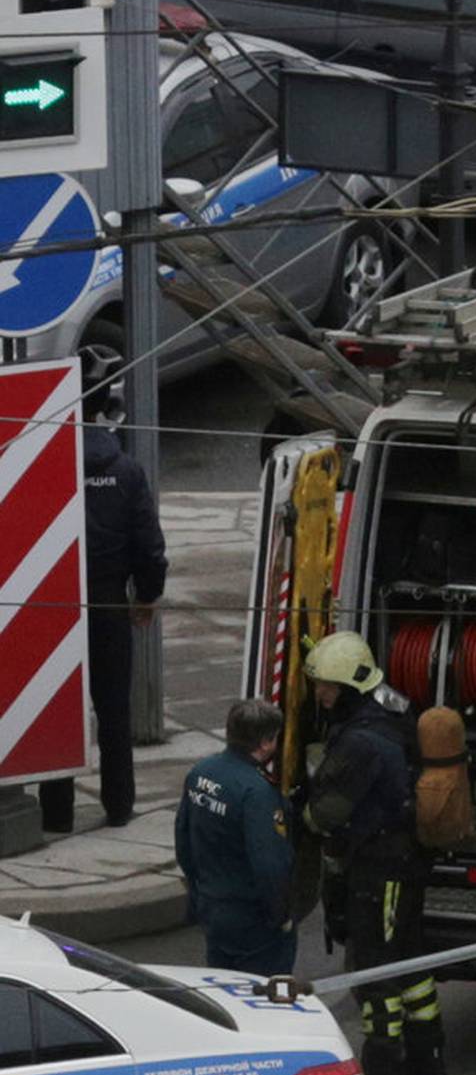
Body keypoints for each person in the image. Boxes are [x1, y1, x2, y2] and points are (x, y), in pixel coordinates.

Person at [304, 630, 443, 1075]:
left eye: (326, 685)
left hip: (379, 866)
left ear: (348, 686)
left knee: (375, 964)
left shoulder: (360, 742)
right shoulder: (395, 709)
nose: (320, 694)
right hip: (406, 860)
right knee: (410, 960)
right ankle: (428, 1060)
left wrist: (296, 811)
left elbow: (326, 814)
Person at [40, 392, 168, 834]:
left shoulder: (50, 465)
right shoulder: (126, 471)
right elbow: (149, 547)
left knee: (58, 704)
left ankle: (55, 815)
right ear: (101, 417)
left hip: (53, 603)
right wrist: (146, 596)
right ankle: (118, 806)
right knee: (113, 709)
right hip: (110, 602)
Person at [174, 700, 297, 974]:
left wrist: (200, 890)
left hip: (212, 908)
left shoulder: (201, 772)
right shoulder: (257, 792)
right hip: (250, 918)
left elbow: (183, 840)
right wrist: (281, 916)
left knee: (223, 985)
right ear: (265, 743)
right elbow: (269, 864)